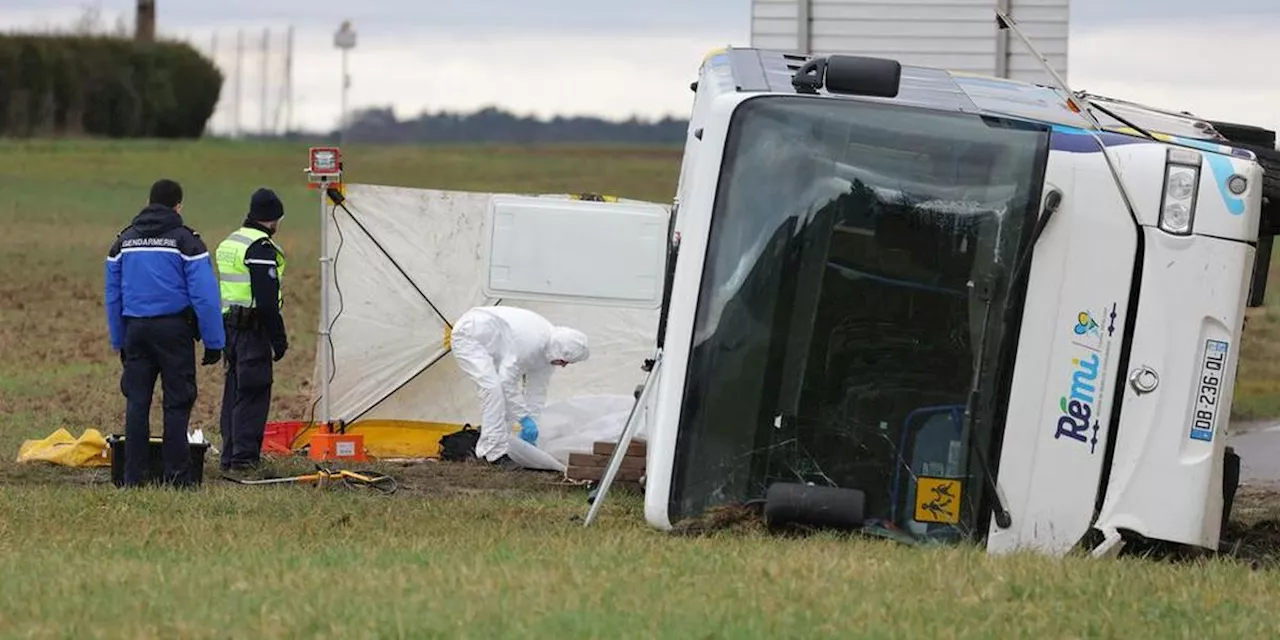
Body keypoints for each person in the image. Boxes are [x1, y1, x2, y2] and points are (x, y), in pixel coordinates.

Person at [105, 178, 225, 488]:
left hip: (135, 331)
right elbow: (205, 295)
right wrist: (214, 341)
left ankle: (132, 477)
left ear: (149, 201)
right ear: (178, 205)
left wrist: (120, 339)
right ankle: (178, 478)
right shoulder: (187, 242)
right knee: (176, 403)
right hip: (174, 332)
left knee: (136, 403)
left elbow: (113, 295)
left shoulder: (123, 241)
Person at [450, 306, 590, 469]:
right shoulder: (531, 343)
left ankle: (503, 445)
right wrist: (524, 419)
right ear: (558, 351)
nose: (564, 366)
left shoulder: (549, 355)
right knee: (492, 389)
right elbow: (506, 383)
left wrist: (532, 430)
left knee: (505, 397)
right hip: (470, 336)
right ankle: (493, 455)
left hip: (495, 345)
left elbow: (536, 393)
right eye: (564, 361)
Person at [215, 188, 289, 476]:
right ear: (273, 219)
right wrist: (278, 338)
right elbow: (267, 299)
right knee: (254, 390)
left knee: (234, 390)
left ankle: (229, 454)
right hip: (252, 330)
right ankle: (244, 459)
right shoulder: (260, 248)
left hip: (230, 327)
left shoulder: (231, 242)